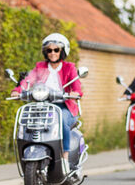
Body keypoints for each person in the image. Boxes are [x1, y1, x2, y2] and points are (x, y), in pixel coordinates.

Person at [11, 33, 82, 173]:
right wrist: (18, 90)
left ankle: (65, 158)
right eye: (49, 50)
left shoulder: (69, 68)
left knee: (60, 118)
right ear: (45, 52)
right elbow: (28, 80)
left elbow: (77, 87)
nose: (52, 53)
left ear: (63, 51)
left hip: (64, 106)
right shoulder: (40, 67)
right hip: (42, 106)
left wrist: (75, 93)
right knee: (27, 120)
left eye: (56, 50)